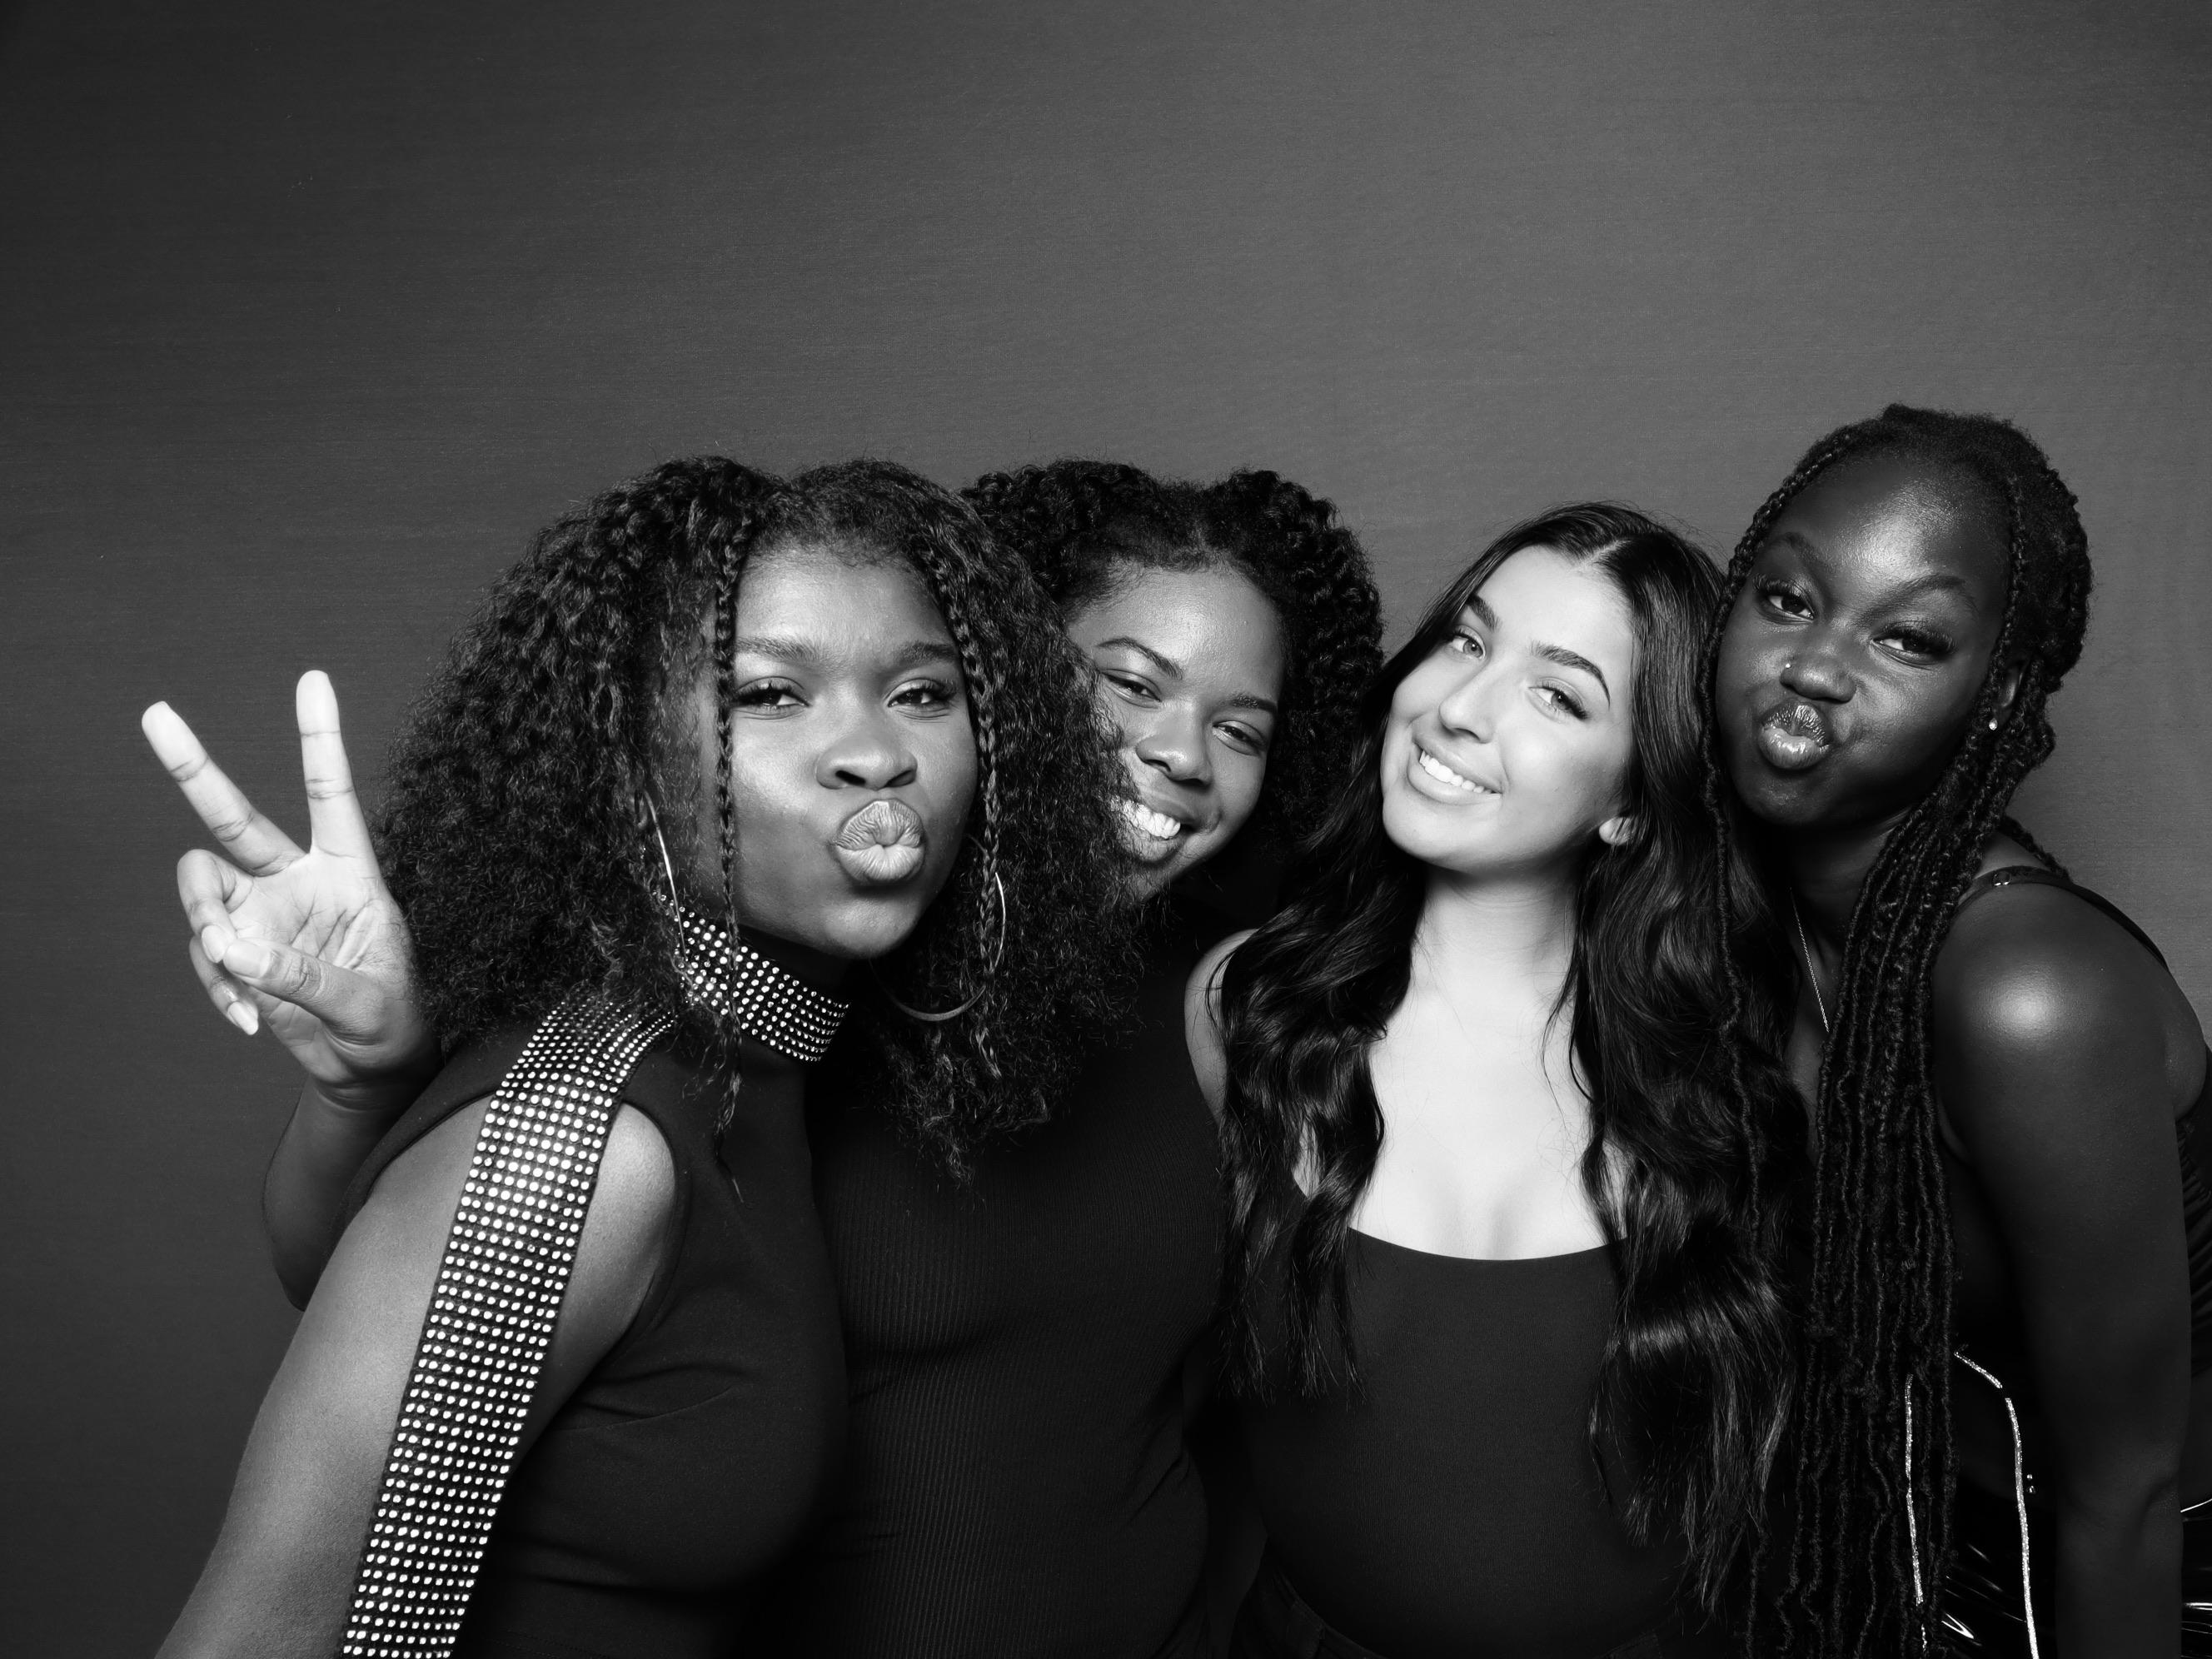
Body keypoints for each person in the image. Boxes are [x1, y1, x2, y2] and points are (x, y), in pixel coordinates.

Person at [166, 456, 1383, 1657]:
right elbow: (318, 1550)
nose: (872, 754)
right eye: (771, 694)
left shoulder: (780, 1045)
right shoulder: (598, 1119)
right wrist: (372, 1086)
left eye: (921, 693)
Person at [1193, 506, 1799, 1659]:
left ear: (1632, 801)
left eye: (1557, 694)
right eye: (1467, 641)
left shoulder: (1722, 1070)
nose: (1461, 706)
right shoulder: (1246, 1008)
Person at [1708, 406, 2210, 1657]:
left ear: (1998, 694)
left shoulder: (2028, 992)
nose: (1815, 667)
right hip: (1917, 1555)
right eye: (1787, 600)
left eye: (1908, 638)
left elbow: (2128, 1494)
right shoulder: (1742, 926)